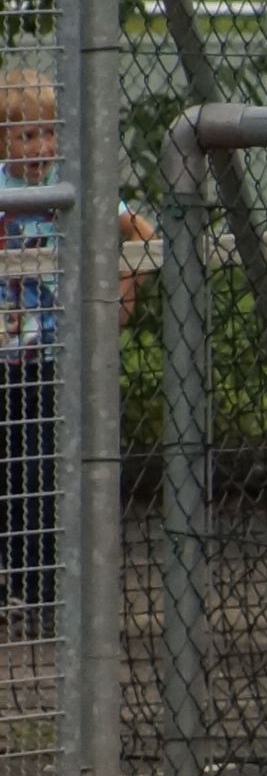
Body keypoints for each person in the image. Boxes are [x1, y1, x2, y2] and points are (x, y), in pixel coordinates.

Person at [0, 68, 142, 624]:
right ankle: (14, 580)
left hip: (52, 359)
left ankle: (39, 591)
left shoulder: (75, 184)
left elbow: (140, 232)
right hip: (5, 356)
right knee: (10, 470)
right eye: (27, 136)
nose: (42, 148)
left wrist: (123, 289)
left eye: (49, 133)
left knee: (41, 471)